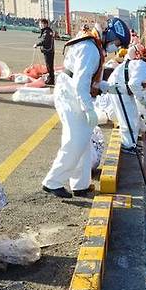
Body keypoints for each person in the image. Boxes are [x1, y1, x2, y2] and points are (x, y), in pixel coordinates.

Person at [42, 17, 131, 198]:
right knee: (75, 141)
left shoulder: (94, 46)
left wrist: (108, 87)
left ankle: (80, 185)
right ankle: (52, 182)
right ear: (111, 35)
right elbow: (81, 84)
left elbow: (90, 79)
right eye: (117, 43)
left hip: (73, 94)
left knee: (84, 143)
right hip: (71, 96)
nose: (116, 48)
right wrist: (89, 109)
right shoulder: (91, 49)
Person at [34, 18, 55, 86]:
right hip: (48, 50)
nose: (40, 25)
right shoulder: (46, 31)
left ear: (45, 24)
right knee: (49, 66)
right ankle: (50, 78)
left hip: (48, 51)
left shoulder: (47, 32)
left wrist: (37, 44)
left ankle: (51, 80)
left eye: (41, 24)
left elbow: (45, 41)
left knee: (49, 66)